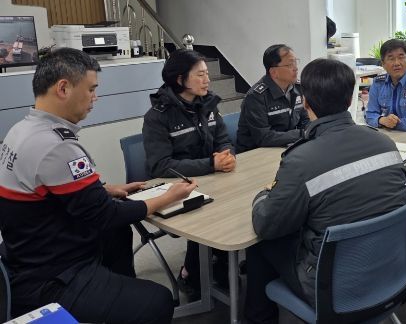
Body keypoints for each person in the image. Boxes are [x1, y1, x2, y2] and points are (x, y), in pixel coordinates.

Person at [0, 48, 196, 323]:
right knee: (158, 301)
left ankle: (117, 295)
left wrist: (105, 189)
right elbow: (106, 214)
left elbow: (49, 187)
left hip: (25, 251)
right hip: (51, 275)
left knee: (117, 233)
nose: (95, 97)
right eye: (91, 89)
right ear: (63, 88)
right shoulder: (55, 146)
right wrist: (169, 197)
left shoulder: (23, 130)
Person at [245, 58, 406, 324]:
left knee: (261, 245)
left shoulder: (301, 160)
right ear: (350, 99)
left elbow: (267, 224)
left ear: (306, 102)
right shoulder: (385, 142)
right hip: (391, 268)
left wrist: (262, 196)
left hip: (334, 288)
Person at [142, 48, 236, 299]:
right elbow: (161, 166)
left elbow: (223, 139)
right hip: (177, 186)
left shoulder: (208, 105)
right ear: (180, 79)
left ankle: (222, 263)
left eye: (207, 74)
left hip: (211, 178)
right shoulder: (158, 117)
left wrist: (227, 155)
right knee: (212, 212)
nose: (207, 80)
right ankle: (191, 273)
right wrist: (211, 164)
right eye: (200, 75)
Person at [236, 44, 309, 153]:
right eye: (290, 64)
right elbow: (263, 137)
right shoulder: (256, 96)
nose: (296, 68)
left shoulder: (298, 88)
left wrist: (309, 129)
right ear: (274, 72)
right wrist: (301, 133)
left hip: (285, 146)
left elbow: (305, 119)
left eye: (295, 62)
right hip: (255, 152)